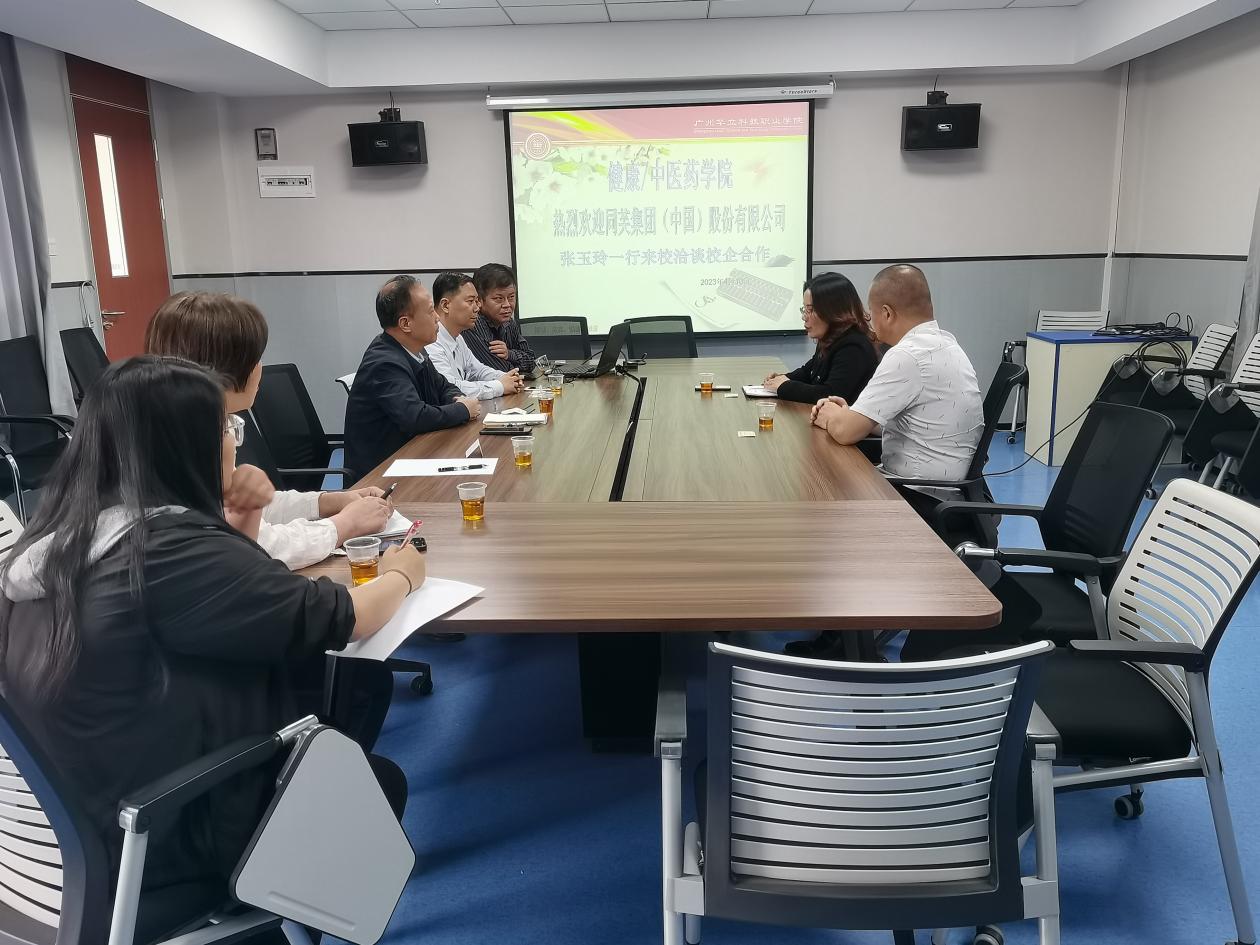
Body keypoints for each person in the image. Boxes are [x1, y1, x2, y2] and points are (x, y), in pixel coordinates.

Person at [0, 356, 426, 944]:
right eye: (226, 427)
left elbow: (237, 594)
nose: (233, 440)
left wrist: (244, 514)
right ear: (187, 444)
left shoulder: (61, 537)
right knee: (372, 778)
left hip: (60, 850)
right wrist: (405, 570)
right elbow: (342, 617)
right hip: (156, 840)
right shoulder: (164, 550)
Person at [146, 291, 391, 571]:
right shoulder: (193, 443)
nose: (259, 367)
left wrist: (330, 501)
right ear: (230, 368)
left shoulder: (183, 424)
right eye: (256, 357)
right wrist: (345, 524)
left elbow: (249, 509)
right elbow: (262, 548)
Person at [811, 264, 984, 499]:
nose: (869, 322)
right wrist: (854, 414)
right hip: (946, 490)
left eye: (870, 314)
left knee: (822, 486)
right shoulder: (947, 344)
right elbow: (913, 423)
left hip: (919, 495)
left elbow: (845, 432)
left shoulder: (907, 356)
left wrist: (832, 417)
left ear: (887, 313)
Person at [344, 275, 481, 482]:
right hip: (379, 477)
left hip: (411, 458)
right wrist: (463, 409)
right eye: (430, 311)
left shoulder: (415, 350)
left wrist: (457, 398)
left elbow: (443, 386)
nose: (437, 317)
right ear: (406, 323)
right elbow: (415, 417)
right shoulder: (384, 362)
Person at [761, 272, 880, 405]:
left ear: (833, 311)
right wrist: (783, 378)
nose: (804, 317)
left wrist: (784, 386)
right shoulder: (831, 338)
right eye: (804, 309)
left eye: (810, 310)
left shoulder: (854, 347)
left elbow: (830, 394)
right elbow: (809, 372)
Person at [426, 271, 526, 400]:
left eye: (476, 301)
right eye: (470, 301)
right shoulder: (430, 342)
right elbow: (450, 388)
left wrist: (507, 378)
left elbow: (478, 370)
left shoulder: (458, 337)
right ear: (445, 305)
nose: (477, 308)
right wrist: (500, 386)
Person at [463, 262, 538, 373]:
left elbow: (531, 361)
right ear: (479, 300)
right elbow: (498, 370)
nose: (507, 305)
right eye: (499, 299)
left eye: (511, 297)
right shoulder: (473, 323)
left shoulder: (509, 323)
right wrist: (515, 363)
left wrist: (510, 354)